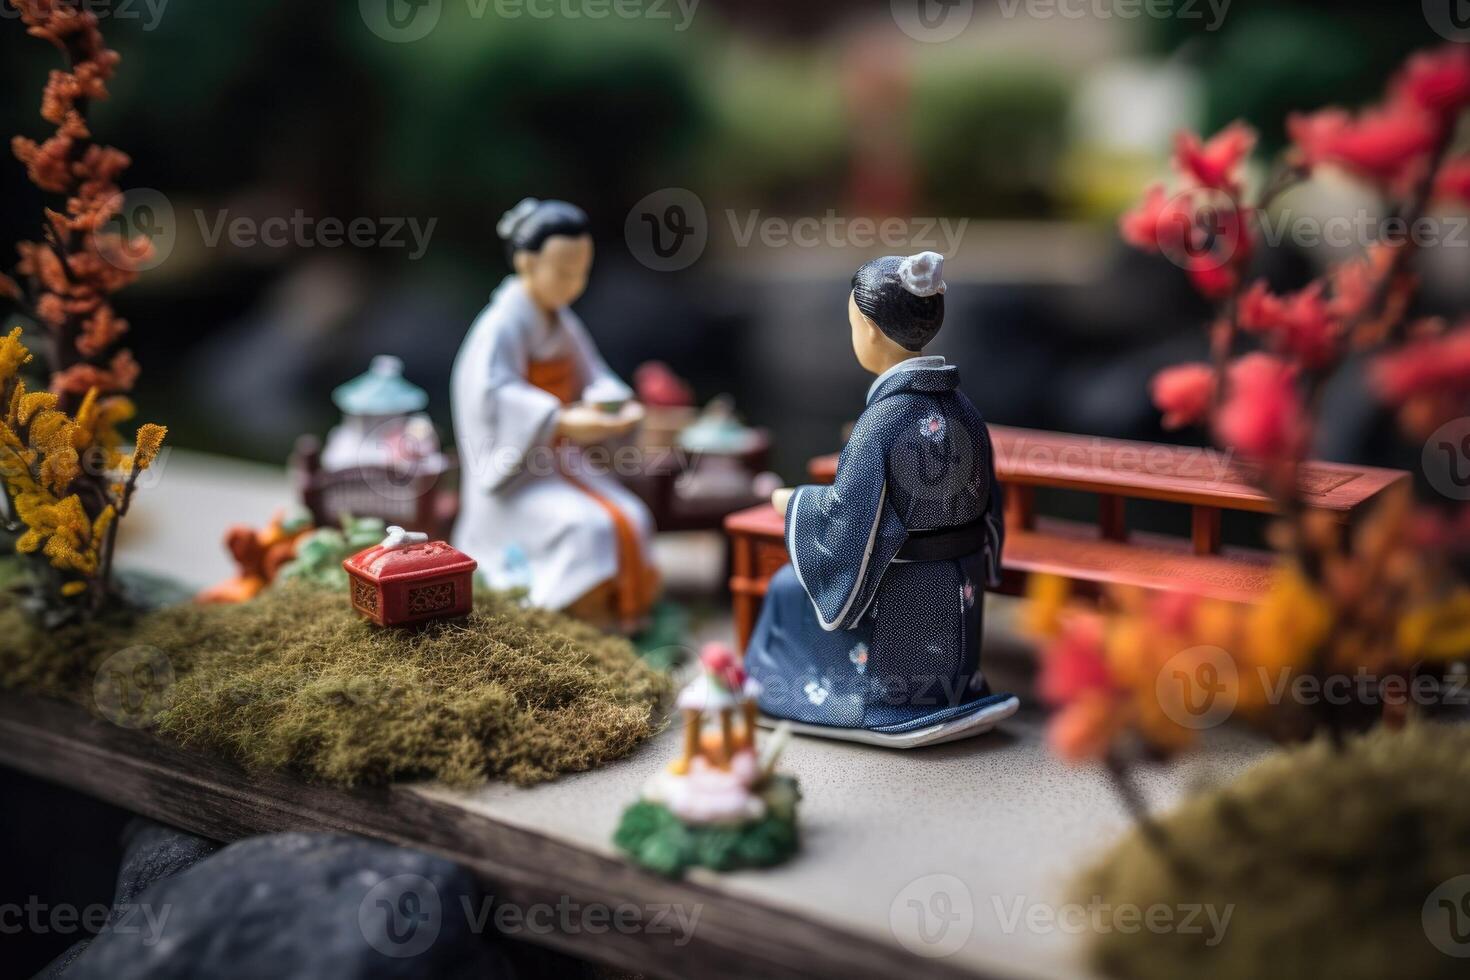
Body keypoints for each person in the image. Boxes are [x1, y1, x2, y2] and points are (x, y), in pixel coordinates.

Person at [745, 252, 1018, 747]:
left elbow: (852, 518)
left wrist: (797, 504)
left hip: (903, 594)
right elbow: (990, 502)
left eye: (852, 325)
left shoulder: (882, 422)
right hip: (958, 586)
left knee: (786, 588)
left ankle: (798, 695)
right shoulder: (965, 409)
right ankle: (950, 693)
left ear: (869, 331)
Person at [450, 199, 657, 630]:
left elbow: (594, 374)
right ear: (527, 263)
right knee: (585, 527)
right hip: (516, 476)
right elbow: (491, 397)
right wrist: (558, 420)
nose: (574, 284)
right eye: (564, 273)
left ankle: (613, 615)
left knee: (631, 516)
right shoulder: (499, 326)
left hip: (557, 461)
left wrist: (611, 401)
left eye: (582, 273)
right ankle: (569, 617)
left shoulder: (561, 321)